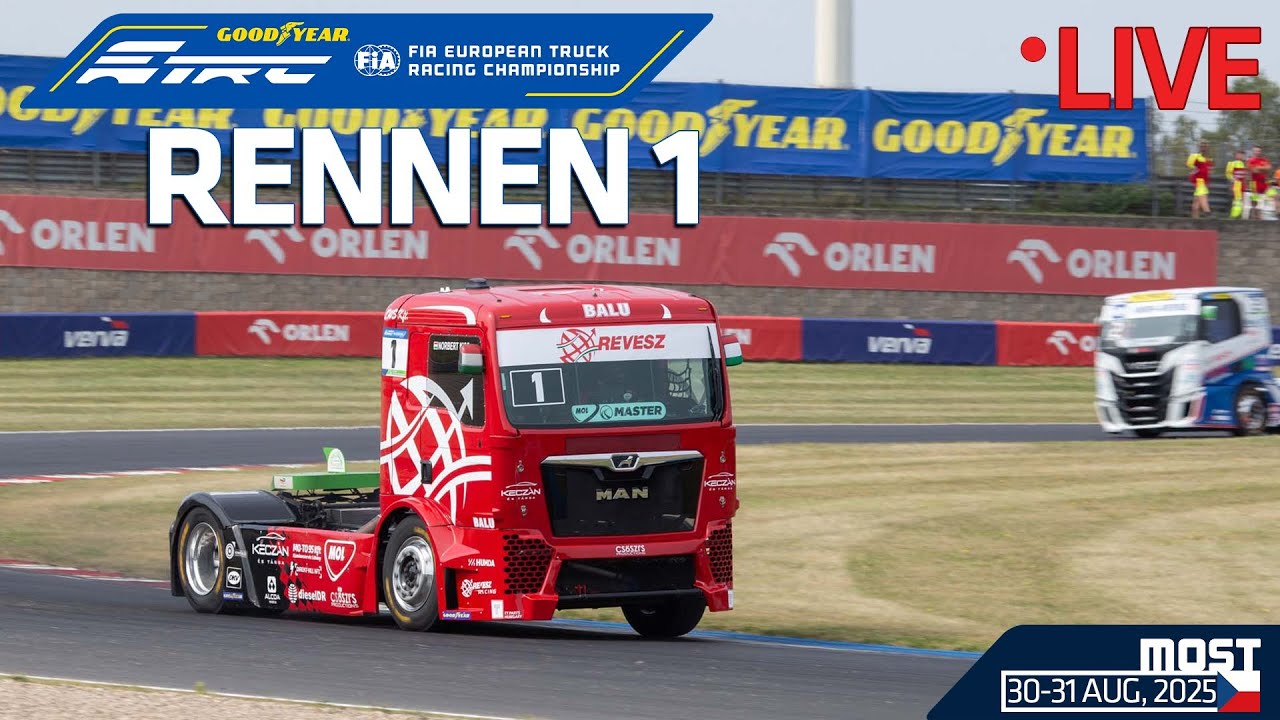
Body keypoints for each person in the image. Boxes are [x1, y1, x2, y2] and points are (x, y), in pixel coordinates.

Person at [1186, 141, 1212, 218]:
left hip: (1204, 181)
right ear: (1199, 147)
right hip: (1199, 180)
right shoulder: (1195, 156)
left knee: (1196, 205)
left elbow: (1208, 171)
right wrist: (1194, 168)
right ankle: (1207, 212)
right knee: (1202, 195)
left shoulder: (1208, 159)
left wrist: (1208, 182)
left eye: (1205, 146)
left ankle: (1195, 219)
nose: (1203, 148)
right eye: (1202, 146)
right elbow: (1188, 164)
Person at [1248, 145, 1272, 219]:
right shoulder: (1250, 160)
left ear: (1261, 152)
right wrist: (1263, 169)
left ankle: (1260, 215)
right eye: (1255, 151)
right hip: (1254, 183)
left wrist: (1258, 168)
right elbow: (1253, 171)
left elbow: (1269, 168)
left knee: (1263, 199)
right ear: (1253, 152)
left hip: (1263, 182)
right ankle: (1254, 215)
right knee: (1255, 199)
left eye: (1259, 151)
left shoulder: (1264, 160)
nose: (1257, 152)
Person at [1226, 149, 1248, 218]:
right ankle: (1234, 216)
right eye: (1239, 154)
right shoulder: (1232, 163)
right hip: (1237, 185)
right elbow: (1228, 174)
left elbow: (1245, 176)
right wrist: (1233, 181)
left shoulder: (1244, 164)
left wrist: (1246, 184)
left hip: (1243, 185)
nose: (1241, 156)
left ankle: (1239, 215)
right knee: (1237, 201)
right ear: (1236, 155)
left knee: (1241, 201)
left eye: (1242, 155)